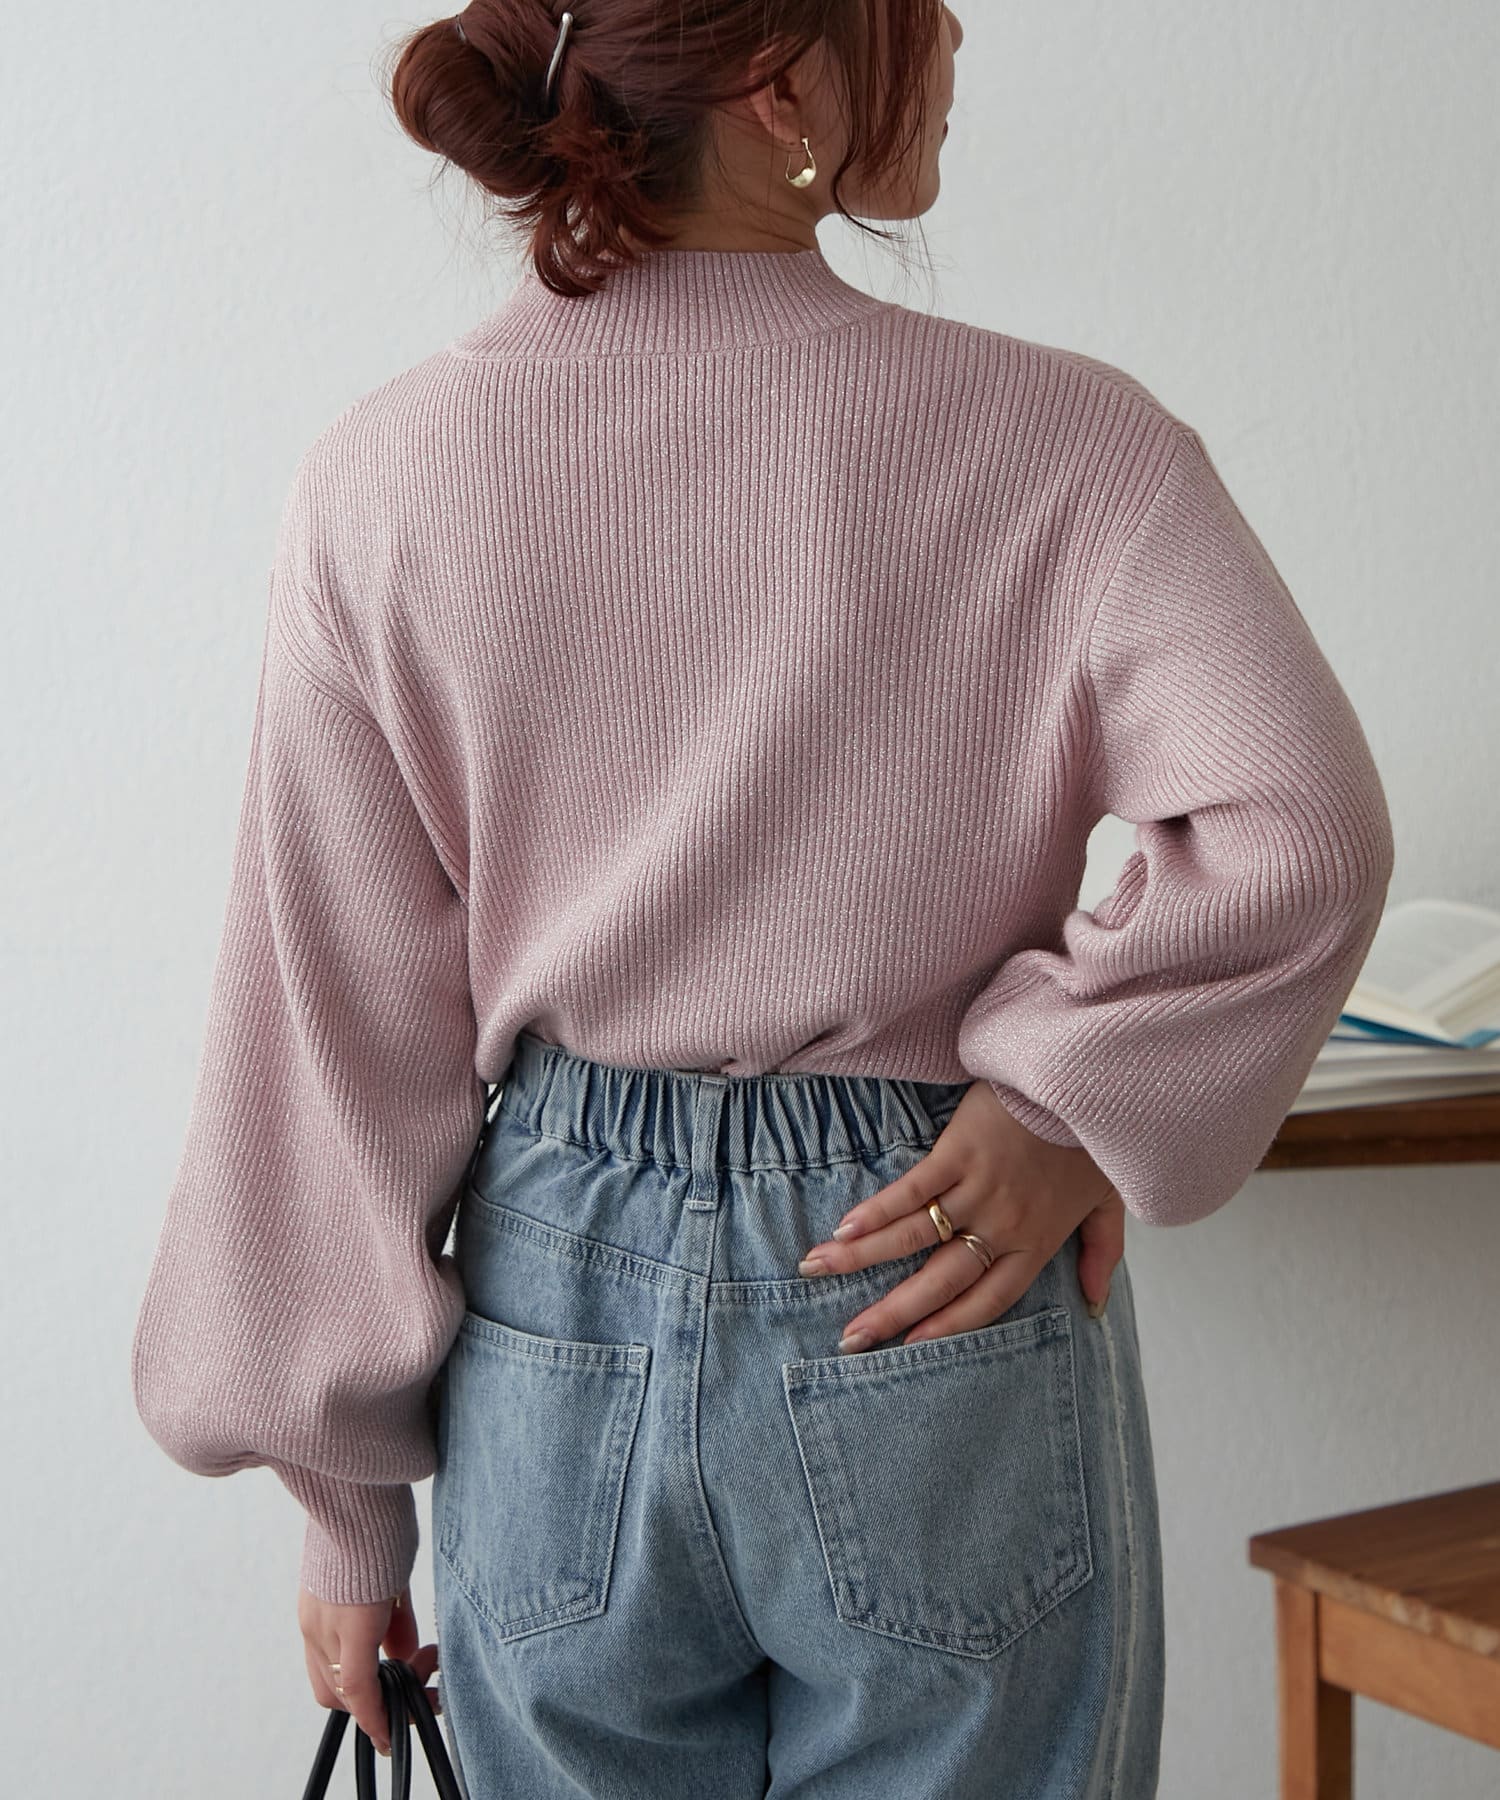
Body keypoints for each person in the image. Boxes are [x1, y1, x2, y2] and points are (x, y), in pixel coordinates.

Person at [130, 2, 1396, 1795]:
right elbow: (1303, 830)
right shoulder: (1071, 447)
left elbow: (327, 1024)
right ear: (782, 87)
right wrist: (1067, 1101)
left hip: (553, 1291)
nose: (953, 30)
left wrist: (347, 1520)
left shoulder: (387, 473)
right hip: (927, 1252)